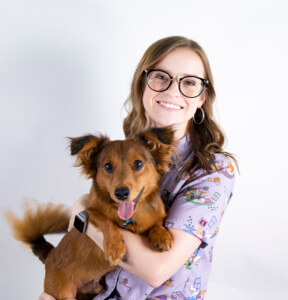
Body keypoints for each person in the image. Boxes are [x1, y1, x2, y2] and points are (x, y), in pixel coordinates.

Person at [39, 36, 237, 300]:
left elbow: (156, 269)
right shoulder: (118, 152)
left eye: (189, 82)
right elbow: (87, 235)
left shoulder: (213, 171)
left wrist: (82, 213)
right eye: (161, 77)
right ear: (142, 85)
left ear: (203, 97)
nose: (173, 91)